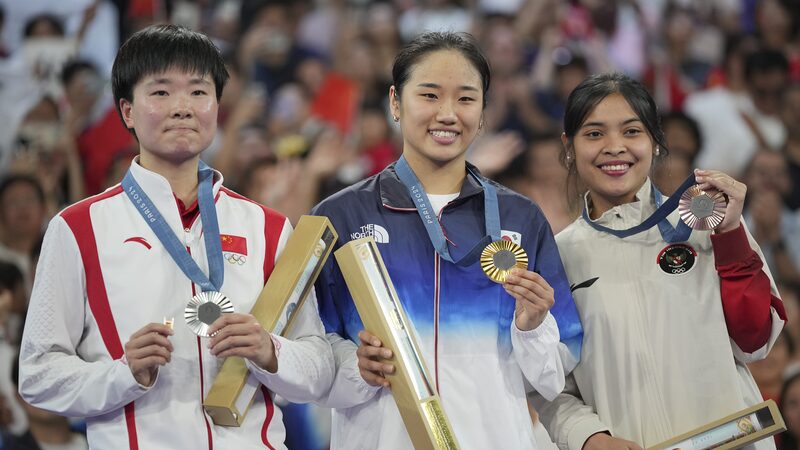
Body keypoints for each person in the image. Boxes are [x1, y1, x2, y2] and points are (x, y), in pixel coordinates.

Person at [17, 24, 333, 449]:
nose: (183, 107)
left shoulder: (269, 227)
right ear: (127, 111)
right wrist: (123, 373)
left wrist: (270, 350)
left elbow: (318, 369)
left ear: (218, 107)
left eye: (199, 92)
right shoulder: (78, 228)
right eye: (162, 92)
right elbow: (37, 375)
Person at [312, 31, 583, 450]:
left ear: (484, 113)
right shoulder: (341, 215)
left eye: (466, 98)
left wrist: (530, 327)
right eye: (430, 95)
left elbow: (554, 373)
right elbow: (309, 349)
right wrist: (354, 365)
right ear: (395, 103)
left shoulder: (520, 218)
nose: (447, 113)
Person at [531, 72, 786, 450]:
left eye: (632, 131)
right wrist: (589, 437)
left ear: (655, 141)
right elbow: (552, 383)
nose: (615, 147)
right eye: (595, 133)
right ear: (569, 146)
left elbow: (756, 341)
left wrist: (730, 235)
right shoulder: (558, 256)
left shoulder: (706, 224)